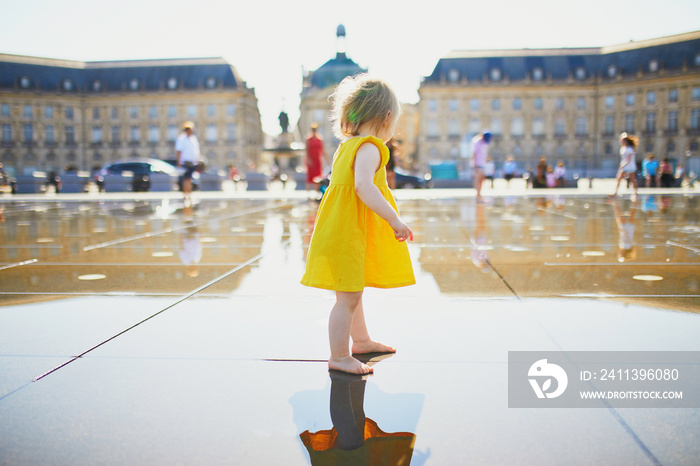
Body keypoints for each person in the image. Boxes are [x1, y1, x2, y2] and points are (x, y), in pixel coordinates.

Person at [301, 74, 415, 375]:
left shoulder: (347, 146)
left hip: (340, 229)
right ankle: (339, 356)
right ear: (386, 118)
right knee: (347, 299)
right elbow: (364, 187)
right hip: (347, 233)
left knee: (352, 290)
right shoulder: (371, 147)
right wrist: (394, 218)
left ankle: (361, 341)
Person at [175, 121, 200, 206]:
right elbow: (179, 151)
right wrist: (179, 161)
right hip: (185, 162)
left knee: (189, 179)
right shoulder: (181, 138)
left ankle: (188, 194)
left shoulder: (193, 138)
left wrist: (197, 159)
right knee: (187, 179)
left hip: (193, 162)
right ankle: (186, 195)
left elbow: (196, 150)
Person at [612, 132, 639, 199]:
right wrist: (622, 164)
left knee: (632, 180)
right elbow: (624, 159)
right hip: (624, 166)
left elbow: (628, 159)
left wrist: (623, 165)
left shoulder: (630, 149)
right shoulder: (623, 148)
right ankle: (615, 193)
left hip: (630, 166)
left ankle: (635, 193)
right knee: (619, 179)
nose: (621, 141)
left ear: (626, 141)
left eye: (623, 140)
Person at [305, 123, 327, 193]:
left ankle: (316, 192)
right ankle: (308, 193)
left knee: (318, 176)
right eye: (313, 130)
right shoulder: (308, 139)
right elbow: (307, 150)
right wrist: (308, 159)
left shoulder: (320, 139)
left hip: (318, 160)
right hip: (311, 160)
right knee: (309, 176)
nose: (314, 131)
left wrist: (327, 159)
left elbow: (322, 150)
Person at [472, 131, 492, 202]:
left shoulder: (484, 143)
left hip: (483, 164)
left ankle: (479, 196)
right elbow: (474, 154)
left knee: (482, 179)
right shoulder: (477, 142)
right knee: (478, 179)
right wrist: (474, 165)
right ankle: (477, 197)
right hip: (478, 164)